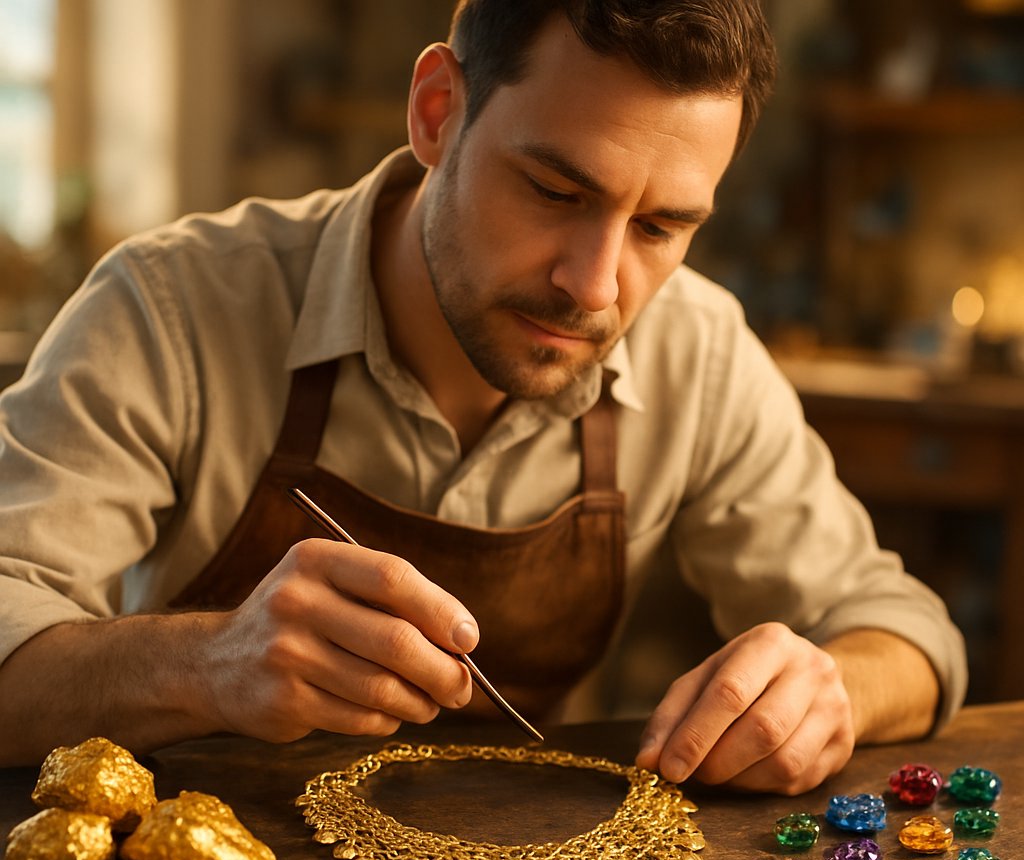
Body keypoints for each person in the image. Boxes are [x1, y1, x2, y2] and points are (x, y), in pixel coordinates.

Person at [0, 0, 965, 791]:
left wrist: (831, 687)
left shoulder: (699, 355)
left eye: (661, 228)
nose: (595, 287)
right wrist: (209, 665)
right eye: (554, 191)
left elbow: (907, 634)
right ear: (436, 111)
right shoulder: (169, 310)